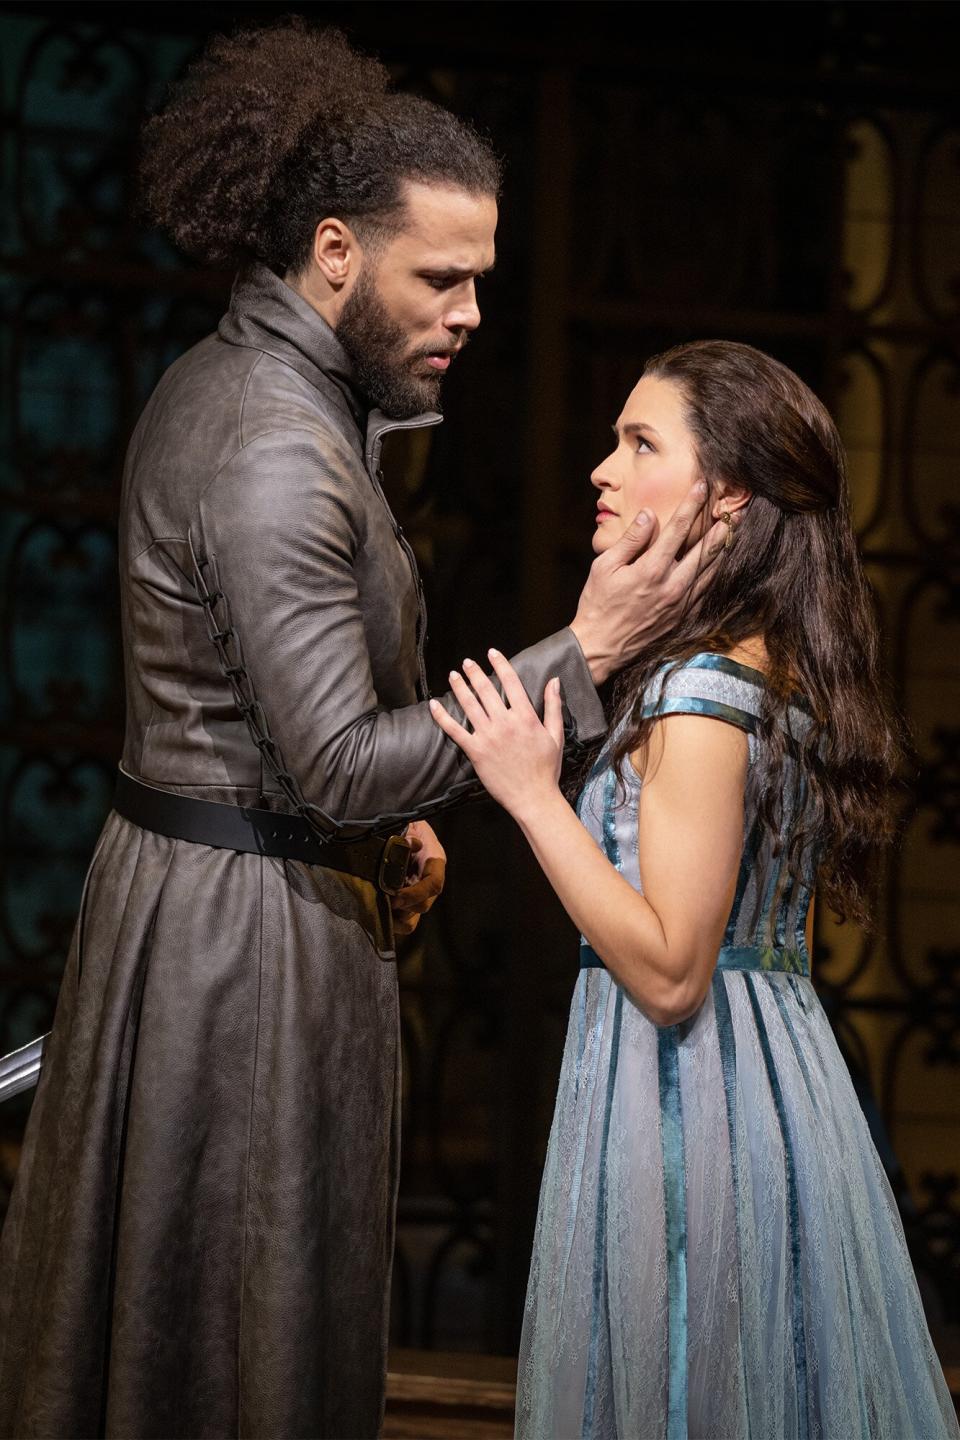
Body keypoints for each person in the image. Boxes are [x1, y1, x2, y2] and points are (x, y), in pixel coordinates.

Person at [0, 22, 732, 1440]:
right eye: (439, 279)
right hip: (241, 951)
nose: (467, 313)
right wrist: (588, 649)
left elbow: (290, 736)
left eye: (480, 283)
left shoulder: (270, 392)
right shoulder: (278, 441)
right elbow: (332, 757)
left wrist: (382, 827)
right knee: (233, 1351)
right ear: (334, 252)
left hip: (228, 905)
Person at [431, 340, 960, 1439]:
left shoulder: (705, 690)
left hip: (691, 1107)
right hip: (756, 1085)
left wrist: (532, 796)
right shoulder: (747, 666)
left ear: (724, 499)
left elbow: (673, 972)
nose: (601, 471)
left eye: (640, 443)